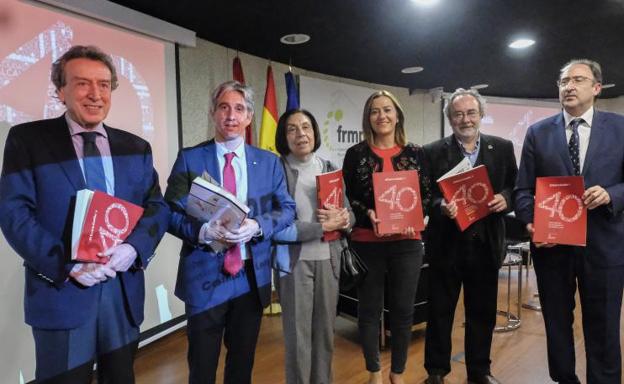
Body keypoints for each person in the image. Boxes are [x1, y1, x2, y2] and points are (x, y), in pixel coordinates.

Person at [0, 45, 169, 383]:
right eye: (82, 84)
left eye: (104, 85)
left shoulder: (135, 148)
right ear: (61, 90)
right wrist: (67, 263)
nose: (95, 94)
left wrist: (133, 249)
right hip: (62, 293)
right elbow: (14, 213)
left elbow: (157, 207)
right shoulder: (27, 140)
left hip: (121, 295)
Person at [164, 80, 295, 384]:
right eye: (224, 107)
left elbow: (287, 209)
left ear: (250, 117)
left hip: (249, 276)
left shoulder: (269, 162)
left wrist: (258, 226)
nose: (231, 116)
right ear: (213, 112)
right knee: (201, 365)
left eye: (239, 109)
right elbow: (168, 212)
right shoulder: (189, 158)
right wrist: (202, 231)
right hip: (204, 275)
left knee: (241, 365)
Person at [514, 59, 624, 384]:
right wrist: (532, 222)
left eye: (578, 79)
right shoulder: (537, 133)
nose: (569, 86)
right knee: (557, 326)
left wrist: (612, 195)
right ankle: (564, 379)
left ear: (597, 88)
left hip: (604, 247)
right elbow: (523, 190)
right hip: (553, 248)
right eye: (564, 81)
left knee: (604, 327)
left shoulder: (620, 128)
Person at [422, 88, 517, 384]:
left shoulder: (502, 148)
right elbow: (425, 197)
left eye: (471, 113)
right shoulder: (432, 151)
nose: (465, 119)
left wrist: (505, 198)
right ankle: (436, 372)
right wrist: (441, 207)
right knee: (439, 313)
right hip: (445, 246)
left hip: (486, 245)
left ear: (481, 115)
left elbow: (516, 187)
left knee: (482, 313)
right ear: (450, 118)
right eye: (458, 114)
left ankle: (479, 371)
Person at [342, 90, 431, 384]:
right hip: (368, 243)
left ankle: (398, 372)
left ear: (397, 115)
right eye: (375, 111)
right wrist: (369, 213)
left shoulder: (416, 153)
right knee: (369, 311)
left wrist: (422, 218)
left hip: (407, 244)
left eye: (387, 110)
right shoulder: (355, 154)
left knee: (403, 311)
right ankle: (375, 373)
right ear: (368, 118)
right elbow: (349, 198)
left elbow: (427, 197)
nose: (382, 116)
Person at [271, 108, 355, 384]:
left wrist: (344, 219)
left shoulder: (330, 168)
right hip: (293, 264)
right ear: (284, 136)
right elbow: (277, 228)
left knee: (325, 335)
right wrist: (322, 227)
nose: (300, 134)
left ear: (315, 132)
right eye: (292, 129)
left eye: (306, 127)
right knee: (298, 339)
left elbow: (349, 214)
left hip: (328, 261)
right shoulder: (276, 171)